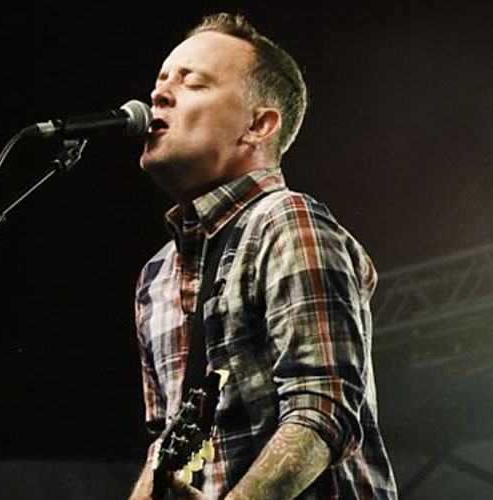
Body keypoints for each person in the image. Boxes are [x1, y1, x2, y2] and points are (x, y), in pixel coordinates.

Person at [129, 13, 397, 500]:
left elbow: (321, 410)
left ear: (258, 125)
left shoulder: (287, 223)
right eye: (160, 83)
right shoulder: (157, 277)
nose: (159, 96)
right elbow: (166, 443)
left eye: (193, 83)